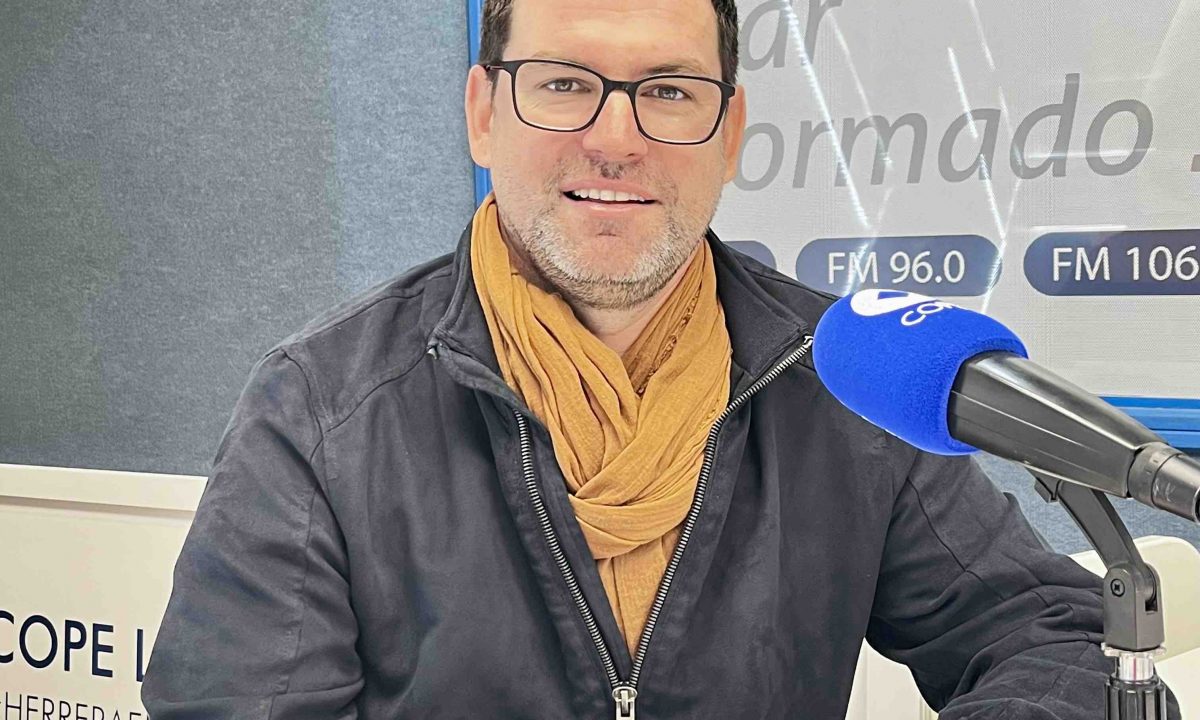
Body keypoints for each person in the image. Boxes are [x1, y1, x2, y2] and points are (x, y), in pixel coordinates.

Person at [141, 1, 1179, 718]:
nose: (617, 138)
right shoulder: (323, 409)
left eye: (670, 92)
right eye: (563, 83)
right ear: (482, 113)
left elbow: (1048, 640)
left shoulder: (833, 380)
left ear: (730, 132)